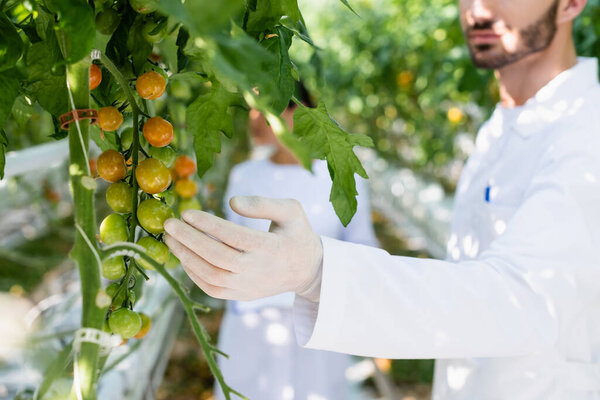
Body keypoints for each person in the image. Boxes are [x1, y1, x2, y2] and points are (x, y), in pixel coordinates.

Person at [164, 0, 600, 398]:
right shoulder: (499, 130)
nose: (478, 8)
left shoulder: (587, 131)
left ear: (572, 4)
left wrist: (319, 273)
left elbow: (523, 297)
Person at [214, 92, 378, 400]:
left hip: (317, 321)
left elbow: (363, 245)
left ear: (298, 113)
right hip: (253, 322)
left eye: (264, 110)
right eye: (251, 111)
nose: (254, 120)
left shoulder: (339, 177)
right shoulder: (245, 176)